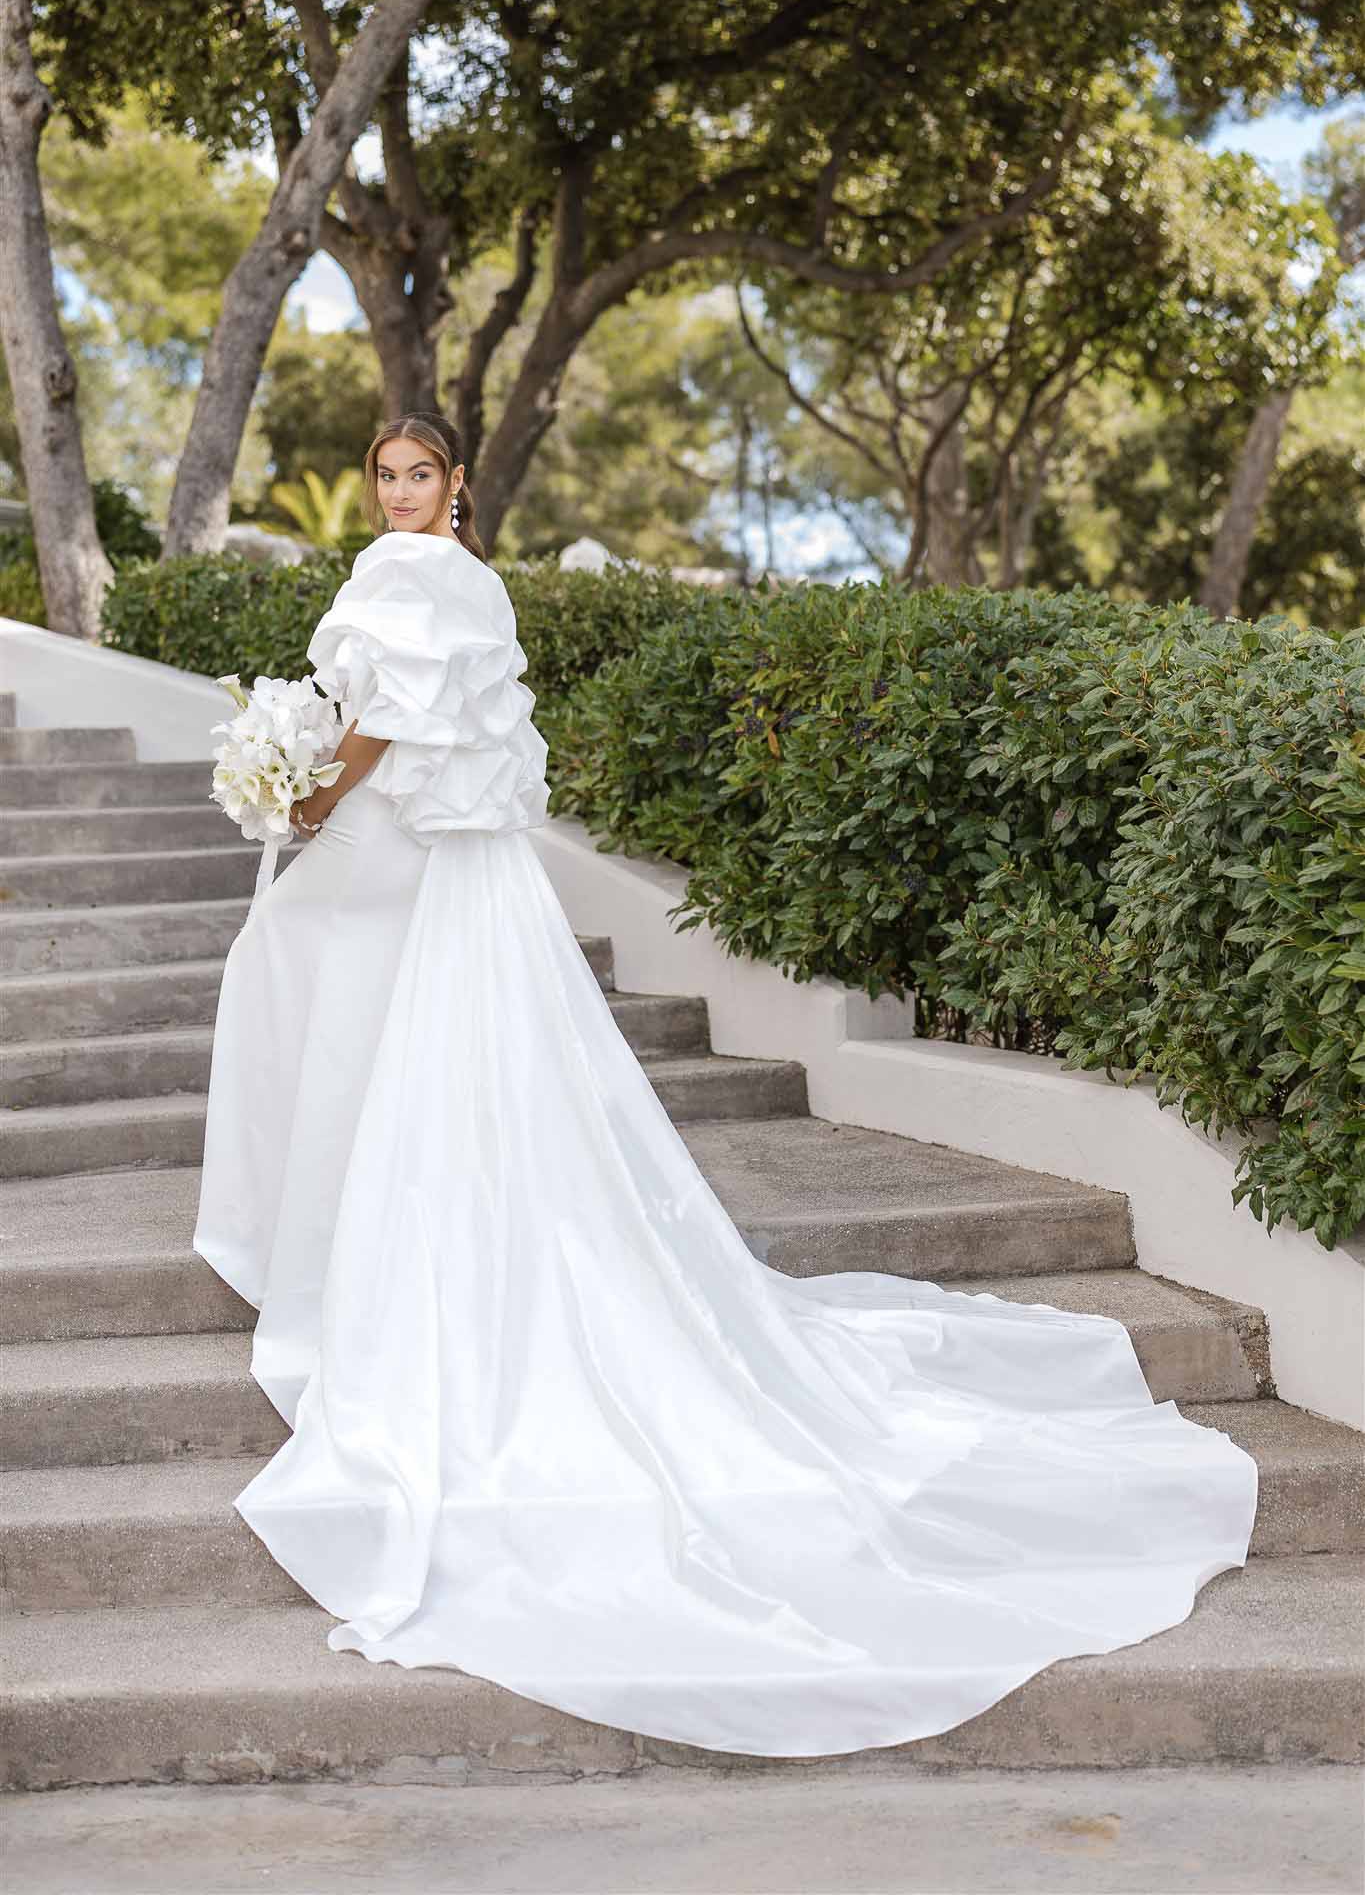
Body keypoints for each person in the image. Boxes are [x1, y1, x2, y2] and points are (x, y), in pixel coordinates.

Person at [193, 411, 1259, 1760]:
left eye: (419, 475)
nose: (400, 493)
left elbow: (391, 723)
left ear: (457, 483)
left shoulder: (412, 577)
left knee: (324, 995)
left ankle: (343, 1247)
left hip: (403, 852)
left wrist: (306, 796)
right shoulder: (472, 582)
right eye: (385, 475)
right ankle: (363, 1232)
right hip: (446, 867)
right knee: (404, 1030)